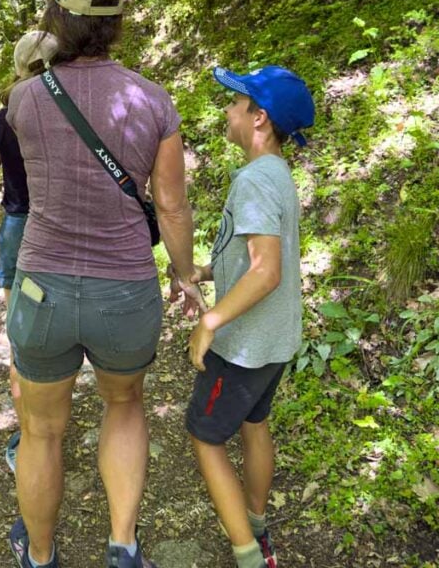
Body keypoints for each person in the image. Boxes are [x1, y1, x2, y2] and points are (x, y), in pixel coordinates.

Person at [5, 0, 203, 568]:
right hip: (126, 291)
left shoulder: (24, 99)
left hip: (43, 290)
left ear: (55, 15)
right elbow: (170, 205)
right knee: (124, 404)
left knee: (41, 432)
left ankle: (39, 556)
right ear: (118, 20)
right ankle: (122, 544)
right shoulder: (153, 99)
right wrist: (184, 274)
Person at [183, 65, 315, 568]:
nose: (227, 109)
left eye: (235, 103)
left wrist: (211, 321)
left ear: (259, 118)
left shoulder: (255, 181)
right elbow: (256, 257)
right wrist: (206, 269)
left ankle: (247, 554)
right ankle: (255, 521)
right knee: (254, 425)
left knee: (204, 433)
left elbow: (265, 273)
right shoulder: (277, 172)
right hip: (276, 342)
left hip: (244, 347)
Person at [0, 30, 59, 470]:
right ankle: (49, 424)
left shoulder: (4, 119)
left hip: (20, 226)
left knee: (20, 338)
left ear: (19, 68)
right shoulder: (70, 111)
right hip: (62, 227)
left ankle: (29, 437)